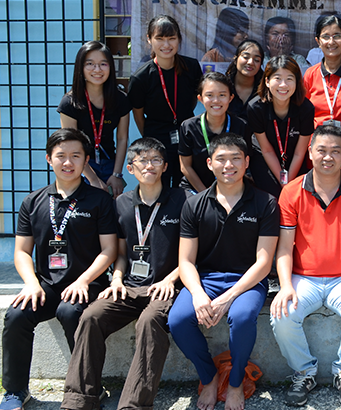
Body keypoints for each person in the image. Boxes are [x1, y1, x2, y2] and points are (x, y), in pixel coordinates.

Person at [61, 137, 187, 410]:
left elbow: (192, 254)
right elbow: (119, 253)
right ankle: (79, 400)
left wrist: (170, 279)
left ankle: (133, 405)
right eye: (142, 161)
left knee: (150, 321)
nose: (149, 166)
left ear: (165, 167)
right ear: (131, 168)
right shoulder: (121, 204)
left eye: (155, 160)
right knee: (92, 316)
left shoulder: (182, 201)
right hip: (128, 286)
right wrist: (116, 279)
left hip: (167, 287)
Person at [0, 129, 117, 410]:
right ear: (48, 159)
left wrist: (84, 280)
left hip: (89, 283)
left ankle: (89, 388)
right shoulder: (33, 201)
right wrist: (30, 283)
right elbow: (22, 252)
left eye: (76, 156)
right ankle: (15, 391)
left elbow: (109, 250)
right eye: (61, 156)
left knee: (71, 311)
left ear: (85, 160)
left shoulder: (99, 200)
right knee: (16, 316)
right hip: (47, 285)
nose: (68, 162)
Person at [167, 134, 279, 410]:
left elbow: (264, 263)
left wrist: (229, 297)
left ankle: (236, 382)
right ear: (208, 163)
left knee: (241, 318)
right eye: (221, 159)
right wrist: (197, 294)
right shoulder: (194, 204)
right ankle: (209, 376)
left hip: (248, 281)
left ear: (247, 162)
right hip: (205, 279)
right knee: (179, 320)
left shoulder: (265, 203)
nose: (229, 165)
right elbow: (186, 261)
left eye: (236, 158)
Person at [270, 126, 341, 407]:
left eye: (335, 151)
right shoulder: (291, 192)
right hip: (303, 277)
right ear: (310, 152)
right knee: (281, 314)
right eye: (321, 150)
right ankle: (304, 372)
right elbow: (283, 248)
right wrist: (285, 286)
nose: (328, 157)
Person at [129, 15, 203, 188]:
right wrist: (150, 136)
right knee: (158, 187)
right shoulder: (141, 77)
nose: (166, 45)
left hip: (187, 135)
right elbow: (138, 115)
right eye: (160, 39)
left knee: (184, 186)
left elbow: (194, 98)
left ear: (179, 40)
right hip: (157, 139)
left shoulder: (191, 67)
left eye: (171, 39)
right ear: (149, 40)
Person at [58, 41, 131, 197]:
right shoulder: (69, 103)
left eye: (103, 64)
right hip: (81, 166)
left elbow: (122, 138)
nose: (97, 70)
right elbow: (70, 145)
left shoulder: (120, 99)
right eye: (90, 64)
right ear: (81, 68)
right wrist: (92, 179)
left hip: (110, 165)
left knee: (110, 212)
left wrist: (117, 174)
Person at [247, 56, 315, 197]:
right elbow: (266, 150)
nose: (283, 85)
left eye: (289, 79)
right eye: (277, 78)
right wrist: (282, 182)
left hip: (295, 159)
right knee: (272, 196)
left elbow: (299, 152)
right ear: (267, 81)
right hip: (265, 159)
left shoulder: (306, 108)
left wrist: (288, 183)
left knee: (296, 194)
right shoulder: (256, 107)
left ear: (297, 82)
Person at [179, 72, 248, 193]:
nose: (216, 101)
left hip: (231, 190)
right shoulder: (188, 127)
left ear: (230, 98)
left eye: (222, 95)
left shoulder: (241, 126)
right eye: (209, 95)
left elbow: (245, 164)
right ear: (200, 98)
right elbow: (185, 166)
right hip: (196, 190)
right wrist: (205, 194)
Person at [225, 39, 264, 121]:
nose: (250, 62)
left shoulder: (265, 91)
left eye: (256, 60)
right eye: (246, 57)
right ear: (235, 60)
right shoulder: (224, 86)